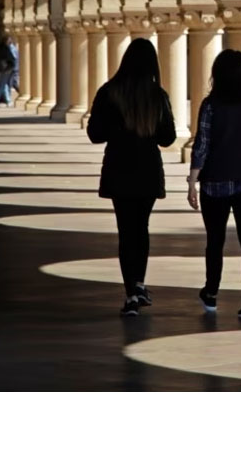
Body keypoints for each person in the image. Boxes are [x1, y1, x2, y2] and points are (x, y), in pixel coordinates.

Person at [87, 38, 176, 317]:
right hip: (147, 169)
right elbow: (168, 138)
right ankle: (139, 283)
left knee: (126, 231)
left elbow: (95, 134)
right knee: (141, 227)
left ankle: (131, 293)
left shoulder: (109, 92)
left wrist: (118, 128)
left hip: (119, 167)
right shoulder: (157, 96)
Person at [188, 49, 241, 320]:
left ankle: (212, 293)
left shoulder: (211, 105)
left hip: (215, 183)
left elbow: (202, 144)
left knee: (215, 241)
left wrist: (192, 181)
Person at [0, 37, 16, 107]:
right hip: (5, 69)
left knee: (4, 84)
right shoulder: (5, 49)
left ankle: (8, 100)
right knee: (2, 85)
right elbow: (10, 58)